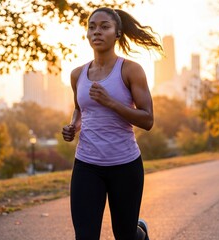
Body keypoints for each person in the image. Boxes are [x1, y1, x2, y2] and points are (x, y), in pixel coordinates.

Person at [61, 7, 162, 240]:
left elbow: (148, 120)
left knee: (125, 235)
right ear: (87, 34)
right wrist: (72, 126)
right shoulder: (77, 74)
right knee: (85, 236)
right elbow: (80, 109)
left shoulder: (131, 70)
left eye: (104, 27)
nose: (97, 32)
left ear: (117, 33)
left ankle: (140, 234)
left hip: (124, 165)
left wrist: (111, 102)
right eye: (92, 27)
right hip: (87, 165)